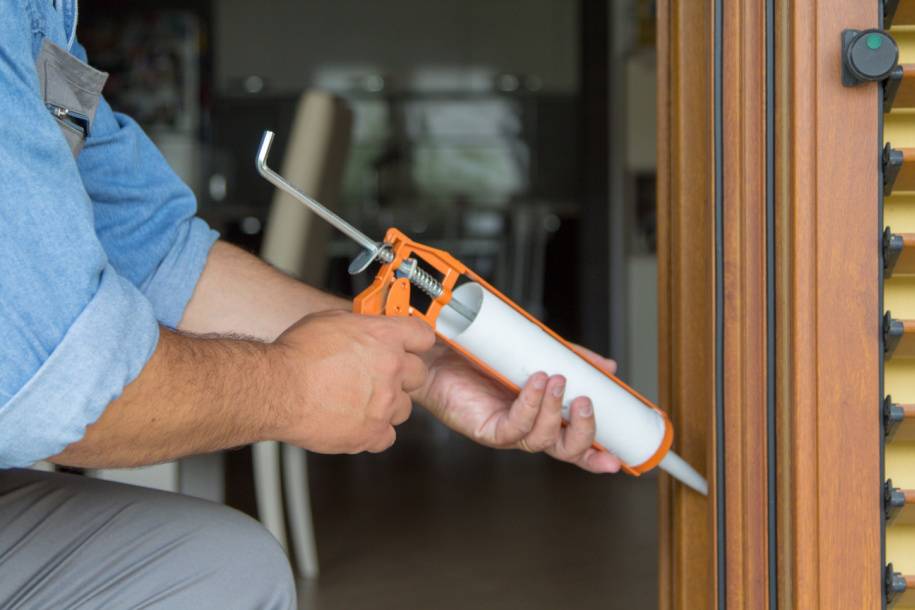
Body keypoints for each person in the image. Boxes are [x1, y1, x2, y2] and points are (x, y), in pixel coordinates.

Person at [0, 1, 622, 608]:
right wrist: (292, 387)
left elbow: (157, 255)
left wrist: (431, 367)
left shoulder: (45, 17)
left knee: (227, 566)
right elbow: (49, 379)